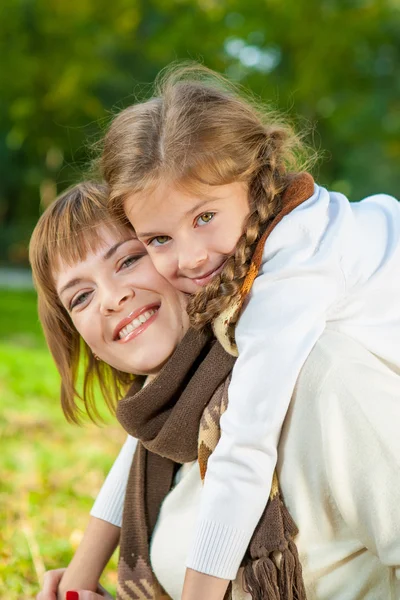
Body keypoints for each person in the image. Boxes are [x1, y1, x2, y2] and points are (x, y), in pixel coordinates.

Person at [99, 63, 400, 599]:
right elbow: (158, 413)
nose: (189, 257)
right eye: (158, 239)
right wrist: (82, 568)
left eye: (204, 217)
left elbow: (244, 450)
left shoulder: (292, 274)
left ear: (253, 177)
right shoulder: (243, 255)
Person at [32, 181, 400, 600]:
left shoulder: (320, 378)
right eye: (81, 297)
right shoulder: (170, 430)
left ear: (184, 261)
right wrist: (78, 582)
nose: (112, 299)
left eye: (130, 259)